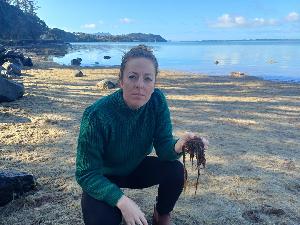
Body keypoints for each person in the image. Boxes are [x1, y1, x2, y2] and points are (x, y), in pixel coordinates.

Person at [76, 45, 208, 225]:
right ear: (121, 81)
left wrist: (180, 145)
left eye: (148, 79)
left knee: (175, 170)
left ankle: (161, 214)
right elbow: (85, 173)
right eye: (132, 77)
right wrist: (122, 201)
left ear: (154, 84)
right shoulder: (96, 115)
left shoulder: (156, 101)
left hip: (135, 167)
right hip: (102, 175)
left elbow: (163, 147)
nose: (140, 84)